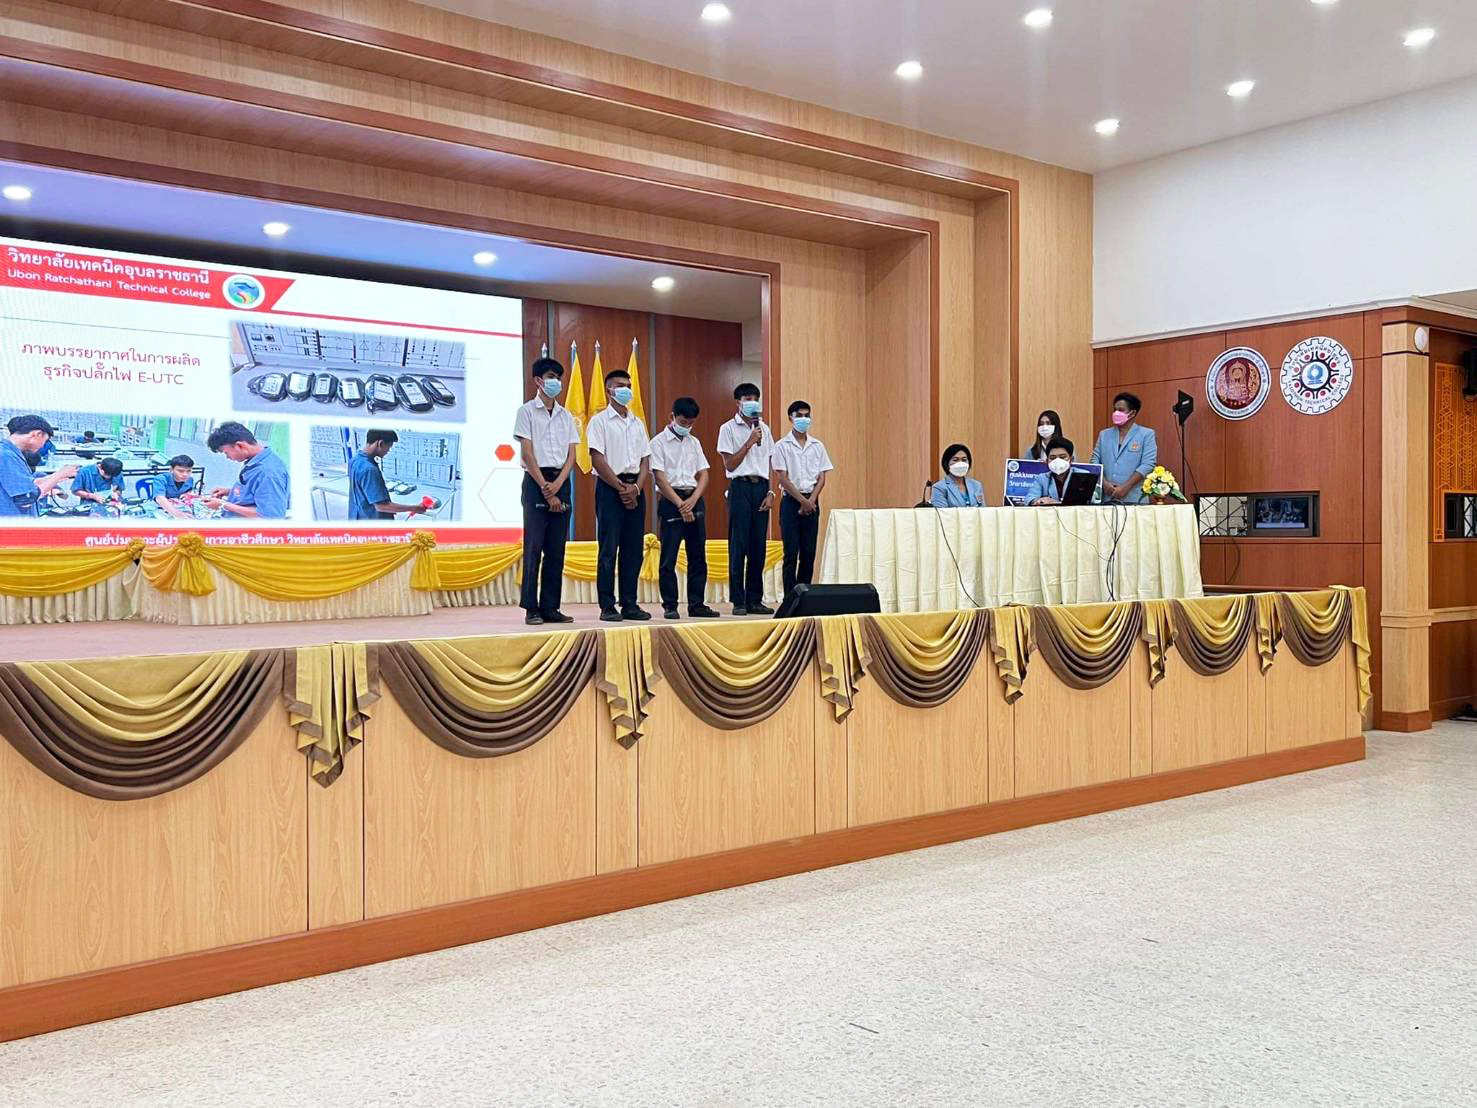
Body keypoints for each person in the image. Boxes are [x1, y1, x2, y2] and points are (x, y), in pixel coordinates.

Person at [514, 356, 580, 626]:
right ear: (538, 381)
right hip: (536, 481)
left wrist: (559, 485)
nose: (556, 382)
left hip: (560, 481)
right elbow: (527, 454)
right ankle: (531, 608)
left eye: (559, 378)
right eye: (551, 377)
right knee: (534, 548)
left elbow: (572, 455)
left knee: (556, 549)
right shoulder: (526, 411)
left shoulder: (566, 415)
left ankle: (551, 607)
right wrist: (546, 489)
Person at [587, 366, 652, 622]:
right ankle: (607, 605)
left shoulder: (637, 423)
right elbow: (597, 458)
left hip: (636, 488)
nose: (626, 390)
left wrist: (636, 488)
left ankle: (630, 603)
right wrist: (620, 487)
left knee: (633, 550)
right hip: (609, 489)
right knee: (608, 549)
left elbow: (645, 459)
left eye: (629, 386)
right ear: (609, 390)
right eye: (621, 386)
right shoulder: (599, 421)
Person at [649, 396, 721, 620]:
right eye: (683, 422)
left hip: (694, 498)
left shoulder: (694, 442)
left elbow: (704, 474)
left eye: (691, 423)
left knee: (698, 555)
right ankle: (670, 605)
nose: (687, 426)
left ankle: (697, 604)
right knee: (668, 556)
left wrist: (693, 499)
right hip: (671, 501)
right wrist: (681, 505)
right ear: (672, 416)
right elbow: (660, 478)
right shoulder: (658, 442)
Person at [717, 382, 775, 616]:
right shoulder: (727, 429)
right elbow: (730, 464)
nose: (752, 403)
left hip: (761, 488)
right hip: (740, 486)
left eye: (755, 398)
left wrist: (771, 492)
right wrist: (749, 442)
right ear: (738, 402)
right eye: (747, 399)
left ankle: (755, 599)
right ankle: (738, 600)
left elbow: (770, 463)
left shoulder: (765, 429)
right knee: (738, 545)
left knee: (758, 546)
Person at [772, 399, 834, 596]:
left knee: (809, 553)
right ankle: (790, 597)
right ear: (790, 418)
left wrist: (811, 500)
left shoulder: (817, 445)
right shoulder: (781, 446)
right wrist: (802, 501)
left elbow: (822, 477)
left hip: (812, 502)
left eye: (807, 416)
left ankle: (805, 596)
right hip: (791, 502)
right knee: (791, 553)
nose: (803, 419)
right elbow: (783, 477)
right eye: (799, 416)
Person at [204, 421, 290, 519]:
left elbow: (270, 517)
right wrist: (230, 492)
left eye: (226, 453)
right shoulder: (256, 460)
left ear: (240, 446)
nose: (227, 457)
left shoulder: (269, 472)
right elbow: (259, 492)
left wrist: (223, 505)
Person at [1090, 391, 1158, 503]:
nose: (1116, 413)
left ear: (1132, 413)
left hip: (1134, 497)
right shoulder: (1104, 434)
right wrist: (1104, 483)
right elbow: (1094, 461)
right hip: (1107, 497)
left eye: (1120, 410)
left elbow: (1148, 464)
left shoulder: (1146, 434)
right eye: (1115, 410)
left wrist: (1126, 487)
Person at [348, 431, 427, 521]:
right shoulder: (369, 469)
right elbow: (381, 506)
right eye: (388, 447)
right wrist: (414, 508)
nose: (387, 451)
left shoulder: (355, 459)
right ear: (380, 444)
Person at [0, 415, 54, 517]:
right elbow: (25, 499)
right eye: (45, 440)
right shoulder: (6, 456)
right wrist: (59, 475)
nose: (43, 445)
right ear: (37, 434)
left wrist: (49, 479)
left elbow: (19, 485)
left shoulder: (10, 453)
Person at [930, 443, 987, 507]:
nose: (960, 463)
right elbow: (941, 512)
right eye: (955, 460)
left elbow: (983, 510)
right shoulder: (939, 487)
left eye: (964, 460)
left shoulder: (976, 485)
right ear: (946, 463)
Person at [1027, 437, 1078, 505]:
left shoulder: (1083, 475)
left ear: (1071, 459)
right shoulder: (1041, 478)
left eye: (1062, 457)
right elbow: (1029, 499)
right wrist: (1038, 501)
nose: (1057, 461)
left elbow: (1091, 500)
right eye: (1052, 458)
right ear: (1047, 461)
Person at [149, 455, 199, 520]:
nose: (185, 474)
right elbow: (160, 498)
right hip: (161, 508)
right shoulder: (160, 479)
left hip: (180, 507)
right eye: (180, 471)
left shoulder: (190, 480)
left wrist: (188, 496)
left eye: (188, 471)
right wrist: (178, 514)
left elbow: (188, 493)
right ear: (171, 470)